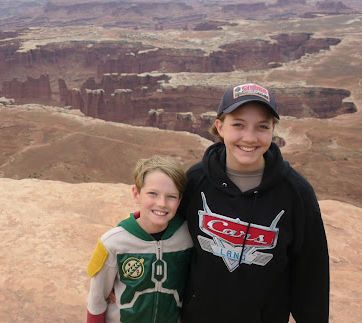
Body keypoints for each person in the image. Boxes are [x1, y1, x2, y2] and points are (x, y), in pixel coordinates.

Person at [180, 82, 329, 322]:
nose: (249, 138)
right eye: (238, 124)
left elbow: (311, 274)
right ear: (220, 127)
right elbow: (168, 242)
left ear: (273, 129)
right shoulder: (196, 180)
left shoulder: (296, 193)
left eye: (262, 126)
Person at [86, 156, 193, 323]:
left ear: (180, 200)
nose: (162, 203)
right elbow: (96, 301)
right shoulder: (112, 243)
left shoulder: (188, 237)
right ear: (136, 194)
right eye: (152, 194)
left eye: (171, 196)